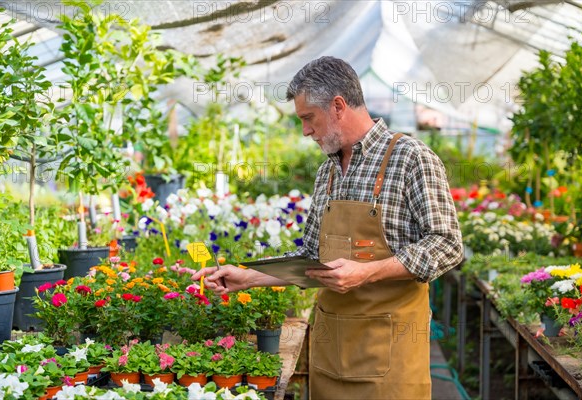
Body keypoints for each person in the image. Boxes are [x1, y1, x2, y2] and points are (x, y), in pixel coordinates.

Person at [193, 56, 463, 399]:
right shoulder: (328, 171)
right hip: (330, 353)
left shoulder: (410, 158)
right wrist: (248, 275)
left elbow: (448, 244)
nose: (306, 130)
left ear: (338, 106)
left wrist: (368, 272)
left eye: (309, 118)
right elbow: (313, 257)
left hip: (389, 361)